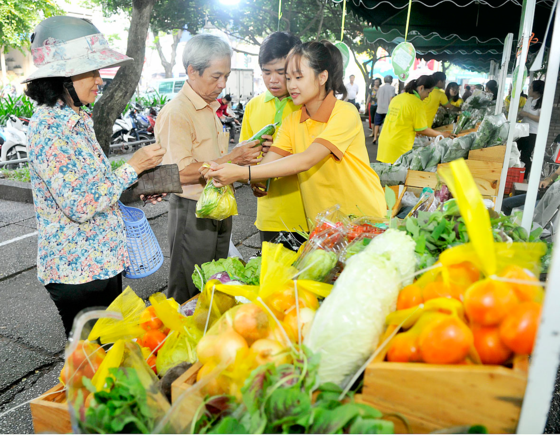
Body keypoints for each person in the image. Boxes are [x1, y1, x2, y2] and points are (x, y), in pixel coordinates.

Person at [23, 16, 166, 336]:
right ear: (62, 78)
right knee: (92, 368)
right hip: (78, 275)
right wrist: (133, 166)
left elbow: (94, 183)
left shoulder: (78, 118)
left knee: (114, 360)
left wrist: (137, 184)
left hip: (102, 262)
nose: (100, 80)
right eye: (91, 71)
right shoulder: (49, 127)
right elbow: (79, 204)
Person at [203, 40, 387, 221]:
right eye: (289, 78)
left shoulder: (345, 113)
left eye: (299, 77)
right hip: (323, 224)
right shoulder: (292, 121)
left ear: (322, 77)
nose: (291, 85)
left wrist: (242, 173)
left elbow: (306, 159)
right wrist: (225, 167)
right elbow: (266, 168)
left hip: (363, 216)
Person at [155, 34, 262, 303]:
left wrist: (241, 163)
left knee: (214, 283)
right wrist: (234, 158)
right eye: (216, 76)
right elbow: (177, 174)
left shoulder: (207, 108)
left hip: (217, 205)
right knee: (188, 288)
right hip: (192, 212)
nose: (222, 84)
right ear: (192, 71)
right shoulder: (177, 112)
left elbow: (213, 159)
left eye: (225, 76)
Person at [239, 31, 308, 246]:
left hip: (308, 215)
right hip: (268, 216)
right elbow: (244, 158)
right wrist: (253, 176)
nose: (273, 80)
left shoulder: (308, 105)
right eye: (266, 72)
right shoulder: (253, 106)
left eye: (281, 72)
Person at [377, 75, 453, 164]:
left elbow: (402, 120)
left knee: (384, 174)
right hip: (399, 146)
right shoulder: (417, 103)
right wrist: (442, 134)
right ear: (421, 88)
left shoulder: (398, 97)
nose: (428, 96)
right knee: (396, 175)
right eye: (428, 92)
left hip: (384, 143)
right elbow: (422, 130)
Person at [517, 80, 544, 178]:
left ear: (537, 91)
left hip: (532, 132)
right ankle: (515, 173)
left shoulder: (542, 102)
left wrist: (527, 114)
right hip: (522, 130)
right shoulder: (529, 99)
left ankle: (524, 177)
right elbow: (523, 113)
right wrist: (520, 115)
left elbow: (541, 119)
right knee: (515, 152)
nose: (529, 90)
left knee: (525, 155)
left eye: (531, 88)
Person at [373, 75, 395, 143]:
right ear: (391, 81)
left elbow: (377, 97)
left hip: (379, 108)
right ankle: (385, 137)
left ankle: (375, 137)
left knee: (377, 124)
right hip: (387, 109)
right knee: (387, 124)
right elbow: (391, 98)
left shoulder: (380, 88)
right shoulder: (392, 88)